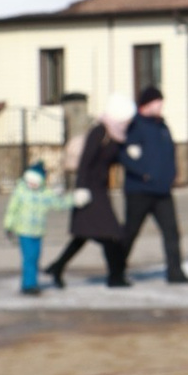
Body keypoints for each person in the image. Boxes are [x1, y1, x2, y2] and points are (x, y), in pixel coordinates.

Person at [47, 103, 134, 287]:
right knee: (112, 234)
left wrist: (128, 153)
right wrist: (80, 188)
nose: (128, 122)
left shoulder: (116, 134)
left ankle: (58, 267)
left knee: (84, 234)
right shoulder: (99, 132)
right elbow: (86, 161)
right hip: (90, 191)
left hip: (100, 190)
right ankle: (115, 278)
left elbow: (111, 159)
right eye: (126, 118)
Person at [117, 87, 188, 283]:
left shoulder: (162, 126)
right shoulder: (135, 125)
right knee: (130, 232)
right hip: (139, 190)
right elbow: (125, 155)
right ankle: (117, 270)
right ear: (146, 104)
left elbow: (169, 153)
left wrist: (172, 174)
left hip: (162, 190)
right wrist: (144, 174)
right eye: (157, 102)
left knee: (171, 232)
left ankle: (175, 272)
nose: (160, 106)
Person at [3, 155, 64, 294]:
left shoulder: (45, 193)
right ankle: (28, 285)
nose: (32, 184)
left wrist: (74, 200)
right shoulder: (21, 191)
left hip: (38, 231)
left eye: (36, 182)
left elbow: (58, 204)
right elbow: (12, 210)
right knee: (29, 258)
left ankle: (32, 283)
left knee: (35, 257)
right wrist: (8, 226)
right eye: (30, 181)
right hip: (24, 231)